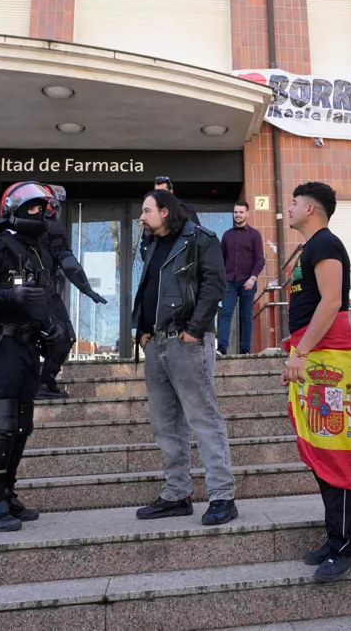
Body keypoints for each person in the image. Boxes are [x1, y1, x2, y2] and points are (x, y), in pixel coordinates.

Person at [0, 182, 68, 532]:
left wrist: (51, 329)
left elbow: (42, 302)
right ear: (15, 209)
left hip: (27, 348)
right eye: (35, 207)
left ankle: (6, 493)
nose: (43, 213)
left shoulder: (40, 253)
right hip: (0, 347)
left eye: (45, 208)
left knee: (22, 426)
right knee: (2, 424)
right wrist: (7, 296)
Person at [131, 188, 236, 526]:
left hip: (187, 341)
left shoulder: (201, 239)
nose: (142, 217)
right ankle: (176, 494)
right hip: (156, 343)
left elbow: (214, 285)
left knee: (203, 418)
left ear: (165, 211)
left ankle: (222, 496)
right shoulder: (152, 244)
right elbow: (149, 288)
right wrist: (142, 329)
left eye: (147, 210)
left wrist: (194, 328)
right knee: (164, 424)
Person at [283, 182, 351, 584]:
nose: (289, 207)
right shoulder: (310, 247)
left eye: (294, 202)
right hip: (313, 354)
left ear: (310, 208)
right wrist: (297, 353)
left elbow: (332, 302)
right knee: (320, 447)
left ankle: (348, 546)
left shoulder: (326, 244)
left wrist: (301, 352)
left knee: (336, 448)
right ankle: (340, 538)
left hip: (328, 356)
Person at [21, 185, 108, 401]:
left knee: (32, 337)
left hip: (19, 295)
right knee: (64, 336)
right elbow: (68, 263)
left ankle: (35, 382)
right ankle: (45, 383)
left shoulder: (14, 232)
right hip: (43, 293)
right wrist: (87, 289)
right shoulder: (52, 228)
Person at [218, 201, 264, 356]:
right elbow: (221, 259)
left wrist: (253, 278)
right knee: (226, 313)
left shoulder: (254, 235)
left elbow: (260, 260)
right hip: (229, 281)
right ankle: (222, 347)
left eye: (241, 212)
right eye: (236, 212)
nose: (237, 215)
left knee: (246, 316)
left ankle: (245, 350)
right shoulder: (227, 235)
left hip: (248, 281)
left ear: (247, 214)